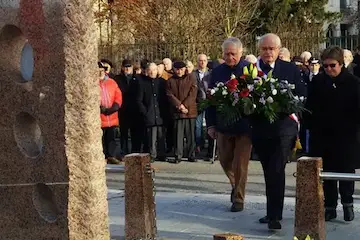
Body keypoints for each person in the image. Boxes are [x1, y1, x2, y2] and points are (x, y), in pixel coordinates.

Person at [252, 33, 306, 229]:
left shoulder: (290, 69)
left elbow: (301, 94)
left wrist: (284, 103)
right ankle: (271, 212)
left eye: (271, 49)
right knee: (269, 170)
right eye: (264, 49)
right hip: (260, 129)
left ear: (278, 50)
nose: (267, 52)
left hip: (284, 128)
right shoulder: (251, 70)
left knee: (277, 169)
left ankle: (275, 216)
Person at [307, 46, 360, 222]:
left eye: (333, 66)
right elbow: (310, 107)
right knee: (327, 174)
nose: (329, 69)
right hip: (323, 135)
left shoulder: (353, 83)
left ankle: (347, 204)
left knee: (345, 172)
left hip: (346, 136)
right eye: (326, 66)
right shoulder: (318, 82)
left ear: (341, 64)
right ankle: (329, 206)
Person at [206, 37, 252, 212]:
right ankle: (235, 185)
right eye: (226, 53)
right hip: (223, 125)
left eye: (233, 54)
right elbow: (210, 99)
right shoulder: (217, 72)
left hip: (244, 127)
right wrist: (211, 125)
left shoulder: (249, 70)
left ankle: (239, 198)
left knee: (240, 164)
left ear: (240, 53)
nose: (229, 57)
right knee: (225, 161)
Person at [166, 60, 198, 163]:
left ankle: (191, 155)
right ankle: (178, 155)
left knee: (190, 135)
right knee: (178, 135)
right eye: (177, 69)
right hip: (177, 111)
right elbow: (169, 95)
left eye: (181, 69)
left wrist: (185, 105)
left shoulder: (191, 78)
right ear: (174, 69)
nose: (179, 71)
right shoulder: (170, 81)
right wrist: (179, 106)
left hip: (190, 111)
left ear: (185, 69)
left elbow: (193, 94)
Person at [137, 63, 167, 162]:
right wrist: (145, 112)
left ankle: (162, 154)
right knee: (151, 137)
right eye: (150, 70)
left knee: (161, 135)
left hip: (161, 113)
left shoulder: (162, 82)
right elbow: (139, 100)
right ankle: (152, 155)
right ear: (147, 71)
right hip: (149, 113)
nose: (152, 72)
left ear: (157, 71)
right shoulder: (143, 83)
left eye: (154, 70)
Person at [114, 59, 142, 154]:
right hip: (123, 109)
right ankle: (124, 151)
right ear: (122, 67)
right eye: (125, 67)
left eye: (129, 67)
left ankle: (135, 151)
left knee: (135, 131)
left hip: (135, 109)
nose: (127, 69)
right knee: (124, 132)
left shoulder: (137, 78)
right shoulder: (117, 79)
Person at [99, 61, 123, 164]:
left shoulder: (112, 82)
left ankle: (111, 155)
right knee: (101, 138)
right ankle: (103, 155)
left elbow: (118, 95)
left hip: (112, 115)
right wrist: (101, 108)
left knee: (111, 137)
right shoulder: (93, 83)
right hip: (101, 116)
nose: (100, 72)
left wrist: (115, 106)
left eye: (101, 70)